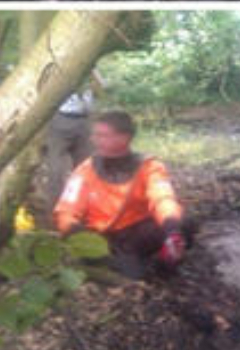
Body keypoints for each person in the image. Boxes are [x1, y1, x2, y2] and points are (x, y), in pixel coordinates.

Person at [53, 110, 192, 277]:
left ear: (124, 138)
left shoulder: (149, 166)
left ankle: (164, 256)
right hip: (103, 238)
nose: (94, 140)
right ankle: (129, 263)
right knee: (134, 273)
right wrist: (86, 241)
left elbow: (163, 200)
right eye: (95, 135)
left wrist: (172, 232)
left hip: (137, 233)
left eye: (102, 135)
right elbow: (65, 213)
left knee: (183, 222)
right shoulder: (85, 170)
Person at [44, 71, 104, 211]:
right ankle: (55, 208)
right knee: (56, 169)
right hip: (61, 119)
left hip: (84, 121)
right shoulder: (62, 67)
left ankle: (85, 206)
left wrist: (93, 73)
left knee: (87, 166)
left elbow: (101, 90)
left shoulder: (91, 70)